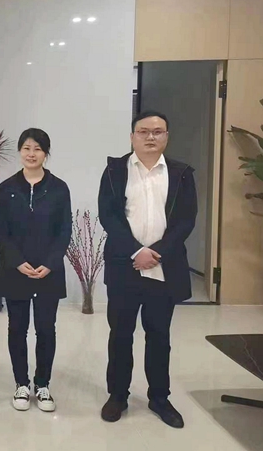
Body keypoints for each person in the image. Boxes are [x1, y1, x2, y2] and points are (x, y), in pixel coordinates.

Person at [98, 111, 197, 429]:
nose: (150, 137)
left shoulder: (181, 173)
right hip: (124, 266)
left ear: (166, 136)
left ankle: (159, 398)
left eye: (157, 131)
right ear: (132, 137)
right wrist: (136, 251)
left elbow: (186, 220)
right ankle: (117, 396)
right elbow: (108, 216)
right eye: (143, 131)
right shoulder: (115, 170)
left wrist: (157, 253)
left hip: (162, 268)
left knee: (159, 336)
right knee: (120, 334)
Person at [0, 128, 72, 413]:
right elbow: (1, 228)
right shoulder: (7, 188)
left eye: (37, 149)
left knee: (45, 329)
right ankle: (21, 384)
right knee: (17, 328)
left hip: (48, 272)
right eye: (26, 148)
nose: (31, 154)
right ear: (20, 152)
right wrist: (16, 261)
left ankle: (42, 384)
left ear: (46, 153)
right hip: (16, 269)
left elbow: (64, 230)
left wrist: (50, 263)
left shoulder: (59, 188)